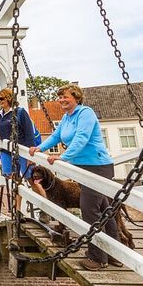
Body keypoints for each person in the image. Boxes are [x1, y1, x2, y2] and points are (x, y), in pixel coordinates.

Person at [28, 83, 122, 271]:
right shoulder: (66, 118)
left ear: (76, 98)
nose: (62, 100)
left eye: (66, 97)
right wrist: (40, 148)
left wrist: (64, 156)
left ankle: (98, 258)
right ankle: (115, 255)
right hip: (82, 169)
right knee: (104, 209)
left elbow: (82, 137)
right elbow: (55, 136)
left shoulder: (85, 113)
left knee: (89, 210)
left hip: (98, 167)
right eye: (60, 96)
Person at [0, 88, 38, 179]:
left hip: (20, 149)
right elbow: (2, 132)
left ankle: (40, 193)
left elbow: (29, 133)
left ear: (8, 98)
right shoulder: (0, 114)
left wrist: (30, 155)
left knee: (30, 177)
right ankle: (17, 194)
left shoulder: (20, 112)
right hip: (6, 150)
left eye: (1, 98)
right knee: (10, 178)